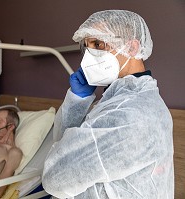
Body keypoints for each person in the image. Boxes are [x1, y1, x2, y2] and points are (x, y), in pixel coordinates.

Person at [42, 10, 174, 199]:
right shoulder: (120, 101)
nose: (88, 56)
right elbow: (64, 145)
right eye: (86, 47)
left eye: (98, 44)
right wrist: (77, 100)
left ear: (132, 48)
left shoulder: (130, 114)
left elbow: (55, 178)